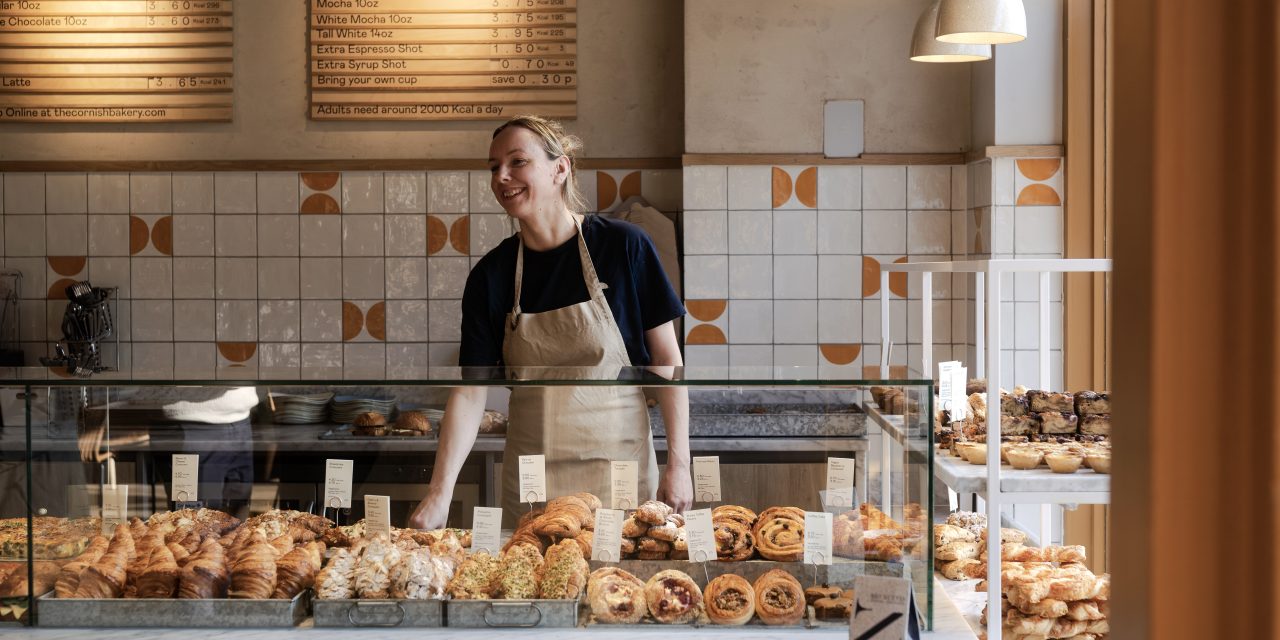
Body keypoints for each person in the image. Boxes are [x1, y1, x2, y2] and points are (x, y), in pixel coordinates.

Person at [409, 116, 691, 528]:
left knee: (616, 569)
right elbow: (470, 393)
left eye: (517, 161)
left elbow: (667, 362)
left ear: (560, 169)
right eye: (494, 167)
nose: (501, 176)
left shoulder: (624, 246)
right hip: (532, 478)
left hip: (618, 470)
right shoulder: (492, 275)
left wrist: (679, 464)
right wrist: (440, 492)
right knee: (531, 567)